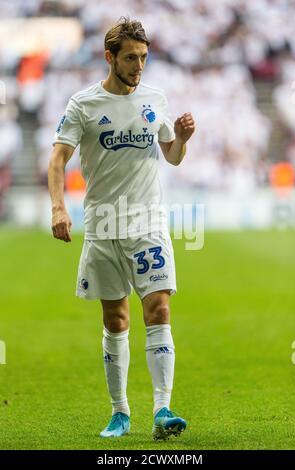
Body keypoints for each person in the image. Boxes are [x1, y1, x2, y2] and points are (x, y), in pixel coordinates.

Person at [48, 17, 195, 440]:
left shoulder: (155, 98)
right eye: (131, 57)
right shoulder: (84, 104)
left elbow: (172, 155)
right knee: (116, 320)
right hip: (102, 226)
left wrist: (182, 138)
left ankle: (163, 409)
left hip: (148, 223)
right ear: (109, 57)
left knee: (159, 309)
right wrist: (59, 208)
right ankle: (120, 412)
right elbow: (58, 159)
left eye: (144, 57)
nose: (139, 65)